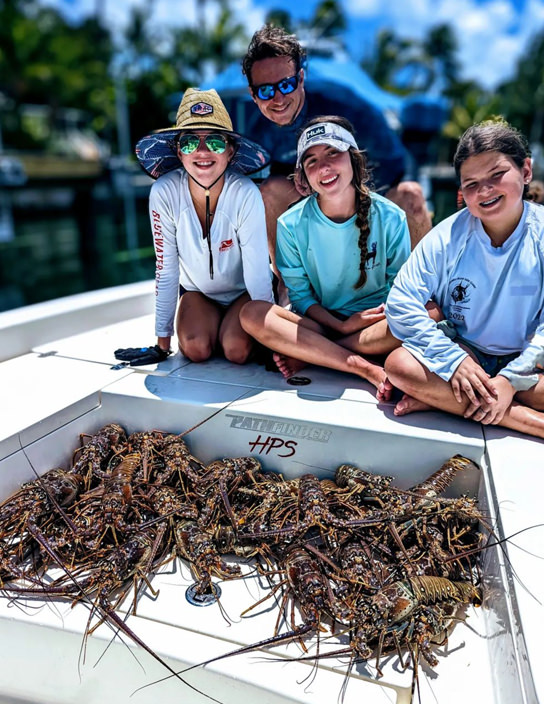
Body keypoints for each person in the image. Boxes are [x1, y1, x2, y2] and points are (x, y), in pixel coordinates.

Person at [382, 119, 544, 440]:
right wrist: (452, 360)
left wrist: (510, 380)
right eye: (471, 184)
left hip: (530, 365)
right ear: (462, 191)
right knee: (399, 365)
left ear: (525, 171)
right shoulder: (449, 234)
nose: (484, 191)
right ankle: (526, 422)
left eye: (497, 175)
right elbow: (401, 302)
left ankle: (442, 400)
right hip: (468, 354)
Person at [241, 24, 433, 283]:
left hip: (369, 190)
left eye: (286, 85)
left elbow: (394, 165)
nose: (277, 98)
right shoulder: (254, 131)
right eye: (265, 90)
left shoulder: (350, 107)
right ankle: (289, 287)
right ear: (253, 95)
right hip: (311, 204)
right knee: (268, 191)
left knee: (411, 195)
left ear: (300, 79)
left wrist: (346, 199)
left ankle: (421, 290)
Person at [240, 116, 411, 392]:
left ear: (353, 159)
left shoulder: (391, 217)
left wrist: (362, 323)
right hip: (320, 324)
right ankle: (361, 365)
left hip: (376, 326)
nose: (325, 167)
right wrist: (340, 326)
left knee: (430, 313)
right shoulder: (290, 223)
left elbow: (399, 287)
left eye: (333, 153)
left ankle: (319, 355)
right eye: (312, 161)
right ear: (304, 177)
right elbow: (300, 296)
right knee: (251, 314)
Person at [135, 88, 274, 364]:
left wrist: (270, 341)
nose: (201, 152)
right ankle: (217, 329)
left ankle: (232, 331)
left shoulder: (245, 192)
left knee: (237, 350)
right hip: (197, 294)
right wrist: (162, 343)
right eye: (189, 142)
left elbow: (259, 271)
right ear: (178, 151)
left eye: (215, 142)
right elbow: (166, 268)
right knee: (196, 349)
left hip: (243, 294)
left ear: (230, 150)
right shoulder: (164, 192)